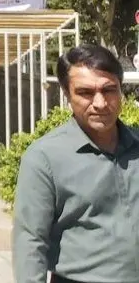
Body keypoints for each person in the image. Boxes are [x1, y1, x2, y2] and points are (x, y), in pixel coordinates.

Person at [13, 44, 139, 283]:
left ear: (120, 89)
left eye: (109, 90)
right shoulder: (45, 158)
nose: (100, 103)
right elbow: (30, 241)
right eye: (85, 93)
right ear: (67, 94)